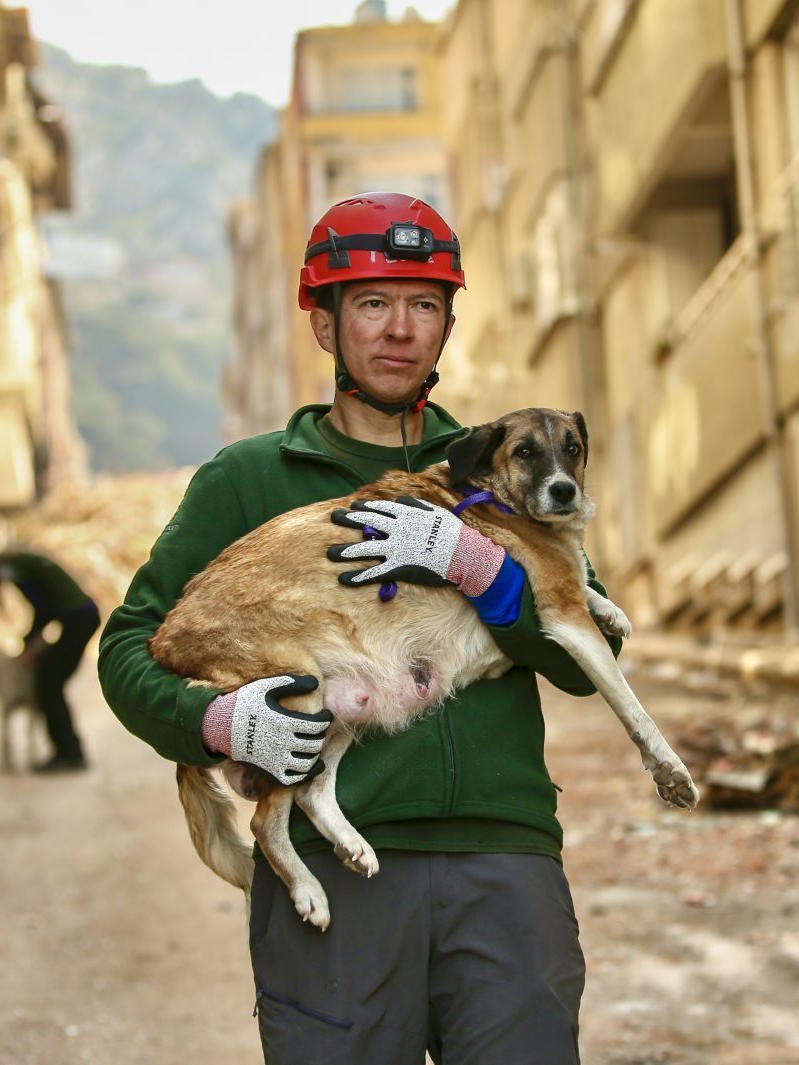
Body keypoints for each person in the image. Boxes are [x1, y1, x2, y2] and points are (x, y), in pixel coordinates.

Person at [98, 191, 621, 1062]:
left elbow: (584, 658)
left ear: (447, 326)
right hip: (340, 874)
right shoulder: (250, 478)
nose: (399, 329)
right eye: (373, 303)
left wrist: (484, 573)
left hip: (503, 861)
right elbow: (125, 650)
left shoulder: (512, 462)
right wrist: (216, 721)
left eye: (424, 305)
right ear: (325, 324)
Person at [0, 541, 99, 773]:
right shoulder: (15, 562)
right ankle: (69, 751)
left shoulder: (10, 568)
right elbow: (46, 606)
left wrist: (29, 641)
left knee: (48, 685)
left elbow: (43, 608)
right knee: (50, 684)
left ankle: (69, 755)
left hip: (78, 618)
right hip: (82, 616)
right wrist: (31, 640)